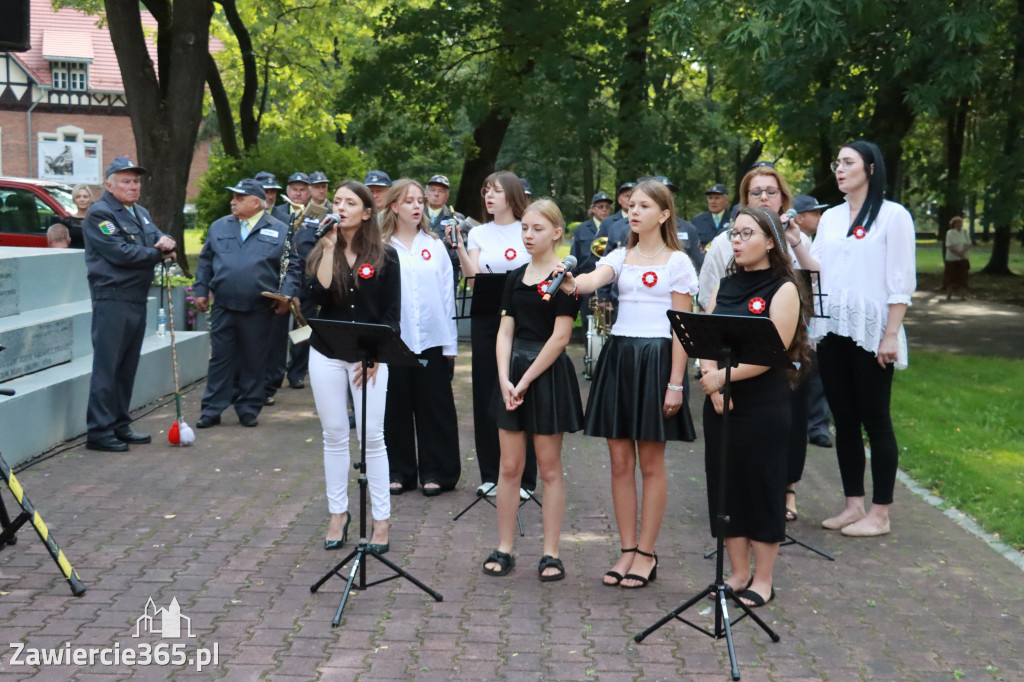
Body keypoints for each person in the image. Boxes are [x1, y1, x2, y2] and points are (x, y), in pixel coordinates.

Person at [557, 179, 698, 589]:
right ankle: (626, 549)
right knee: (620, 462)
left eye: (644, 206)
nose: (634, 212)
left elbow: (682, 331)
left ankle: (647, 554)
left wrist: (676, 384)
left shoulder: (678, 263)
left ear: (664, 214)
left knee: (651, 464)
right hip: (619, 356)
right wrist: (567, 278)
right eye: (631, 205)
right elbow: (587, 282)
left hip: (657, 361)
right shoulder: (620, 255)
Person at [786, 140, 917, 538]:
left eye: (848, 162)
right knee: (843, 419)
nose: (839, 169)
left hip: (874, 330)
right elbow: (818, 269)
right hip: (833, 328)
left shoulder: (894, 216)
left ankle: (880, 512)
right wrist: (795, 240)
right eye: (837, 162)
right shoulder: (831, 218)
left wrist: (891, 334)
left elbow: (901, 282)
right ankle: (852, 505)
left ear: (871, 168)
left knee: (876, 420)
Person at [699, 206, 808, 608]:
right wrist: (712, 386)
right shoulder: (723, 287)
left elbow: (772, 352)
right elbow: (706, 338)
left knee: (761, 487)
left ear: (769, 241)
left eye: (747, 234)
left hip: (763, 403)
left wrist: (722, 379)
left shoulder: (783, 289)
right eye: (734, 233)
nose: (738, 241)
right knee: (726, 486)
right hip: (721, 401)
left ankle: (763, 579)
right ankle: (738, 573)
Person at [482, 199, 583, 580]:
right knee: (508, 467)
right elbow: (504, 331)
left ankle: (551, 553)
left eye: (536, 229)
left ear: (556, 233)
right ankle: (504, 547)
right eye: (524, 228)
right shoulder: (513, 277)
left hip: (546, 374)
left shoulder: (568, 283)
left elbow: (559, 339)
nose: (527, 235)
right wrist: (505, 378)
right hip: (513, 373)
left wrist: (523, 381)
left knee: (549, 468)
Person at [305, 180, 401, 553]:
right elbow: (318, 296)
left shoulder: (386, 256)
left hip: (369, 359)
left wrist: (377, 353)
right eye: (337, 201)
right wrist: (328, 248)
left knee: (372, 437)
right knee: (333, 435)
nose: (340, 207)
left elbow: (393, 314)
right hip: (326, 351)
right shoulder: (320, 249)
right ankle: (337, 514)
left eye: (349, 202)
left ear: (366, 212)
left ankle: (381, 521)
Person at [450, 171, 537, 499]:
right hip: (487, 318)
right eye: (486, 190)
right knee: (487, 392)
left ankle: (526, 478)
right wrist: (459, 248)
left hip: (525, 319)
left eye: (496, 191)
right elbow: (473, 281)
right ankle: (491, 474)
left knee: (521, 390)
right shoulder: (479, 234)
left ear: (512, 196)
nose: (488, 196)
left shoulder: (527, 227)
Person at [83, 156, 176, 452]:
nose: (133, 186)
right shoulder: (101, 214)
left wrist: (167, 241)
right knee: (107, 367)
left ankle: (120, 423)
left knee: (126, 367)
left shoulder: (139, 212)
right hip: (112, 298)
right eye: (125, 180)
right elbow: (121, 253)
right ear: (109, 184)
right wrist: (157, 253)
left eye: (136, 181)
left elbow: (156, 235)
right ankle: (99, 431)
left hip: (135, 297)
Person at [193, 179, 300, 428]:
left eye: (239, 198)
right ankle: (212, 409)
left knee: (254, 358)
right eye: (233, 197)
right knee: (220, 358)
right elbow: (206, 261)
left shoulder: (281, 229)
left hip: (259, 308)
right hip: (224, 305)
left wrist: (286, 295)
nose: (233, 201)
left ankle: (249, 408)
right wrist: (201, 290)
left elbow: (291, 267)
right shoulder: (219, 227)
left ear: (256, 202)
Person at [380, 179, 461, 496]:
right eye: (409, 200)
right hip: (393, 341)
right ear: (394, 206)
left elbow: (446, 298)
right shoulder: (381, 245)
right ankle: (399, 471)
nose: (417, 206)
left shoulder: (435, 245)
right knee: (394, 408)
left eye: (420, 201)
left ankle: (437, 472)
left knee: (435, 408)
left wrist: (450, 345)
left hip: (431, 338)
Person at [792, 194, 833, 452]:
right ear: (799, 217)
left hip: (811, 316)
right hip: (789, 315)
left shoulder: (813, 242)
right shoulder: (799, 241)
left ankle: (818, 425)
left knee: (817, 371)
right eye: (814, 212)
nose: (819, 217)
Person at [570, 191, 613, 336]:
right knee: (587, 323)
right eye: (600, 206)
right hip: (586, 280)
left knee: (610, 324)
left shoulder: (615, 227)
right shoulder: (581, 229)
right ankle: (589, 355)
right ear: (593, 209)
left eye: (607, 207)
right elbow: (575, 255)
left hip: (609, 282)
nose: (604, 210)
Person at [424, 174, 467, 289]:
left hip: (448, 273)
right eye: (432, 190)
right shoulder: (417, 215)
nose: (436, 194)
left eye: (441, 191)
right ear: (426, 193)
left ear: (447, 196)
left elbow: (461, 249)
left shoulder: (456, 218)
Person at [691, 183, 730, 248]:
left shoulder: (734, 218)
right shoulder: (697, 221)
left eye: (717, 198)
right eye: (710, 198)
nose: (713, 202)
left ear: (726, 200)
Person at [943, 216, 970, 300]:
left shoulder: (965, 232)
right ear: (953, 224)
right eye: (957, 223)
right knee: (950, 277)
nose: (959, 225)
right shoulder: (950, 233)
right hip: (951, 259)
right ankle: (949, 294)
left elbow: (968, 243)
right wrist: (958, 253)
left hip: (963, 258)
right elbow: (949, 245)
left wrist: (962, 253)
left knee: (963, 277)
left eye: (960, 223)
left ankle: (963, 295)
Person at [64, 183, 93, 248]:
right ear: (74, 200)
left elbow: (109, 233)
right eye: (78, 197)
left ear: (90, 199)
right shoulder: (67, 221)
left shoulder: (99, 219)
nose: (82, 200)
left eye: (85, 197)